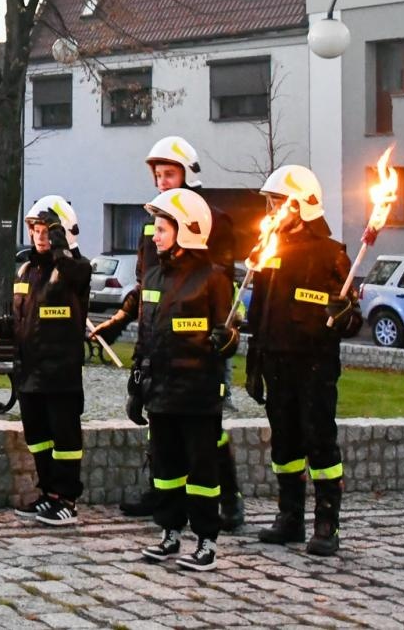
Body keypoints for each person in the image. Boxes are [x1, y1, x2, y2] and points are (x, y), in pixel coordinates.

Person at [90, 135, 246, 529]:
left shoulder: (214, 220)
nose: (162, 181)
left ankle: (228, 497)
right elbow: (146, 285)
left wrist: (224, 332)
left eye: (170, 173)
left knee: (208, 428)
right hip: (159, 337)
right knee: (157, 417)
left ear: (188, 175)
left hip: (199, 341)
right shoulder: (153, 224)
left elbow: (224, 286)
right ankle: (163, 493)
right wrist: (121, 319)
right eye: (158, 175)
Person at [246, 164, 359, 557]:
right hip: (276, 363)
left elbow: (350, 317)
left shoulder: (332, 254)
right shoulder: (268, 253)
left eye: (278, 203)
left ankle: (327, 522)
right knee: (284, 443)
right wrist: (253, 365)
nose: (272, 210)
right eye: (270, 203)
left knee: (319, 442)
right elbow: (257, 315)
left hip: (314, 366)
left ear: (301, 206)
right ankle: (289, 516)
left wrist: (345, 313)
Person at [127, 189, 237, 572]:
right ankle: (170, 532)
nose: (154, 236)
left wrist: (227, 340)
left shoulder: (214, 279)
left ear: (186, 230)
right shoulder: (154, 274)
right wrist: (136, 382)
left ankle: (207, 540)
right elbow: (146, 332)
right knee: (165, 468)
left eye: (161, 229)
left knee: (202, 472)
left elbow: (230, 334)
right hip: (161, 392)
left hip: (198, 394)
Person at [0, 196, 92, 526]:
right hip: (29, 372)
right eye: (37, 230)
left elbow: (70, 270)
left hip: (61, 373)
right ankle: (48, 494)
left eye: (47, 230)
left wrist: (60, 244)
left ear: (64, 231)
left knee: (65, 440)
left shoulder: (76, 268)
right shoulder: (26, 269)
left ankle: (66, 499)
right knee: (38, 437)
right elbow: (20, 320)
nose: (40, 236)